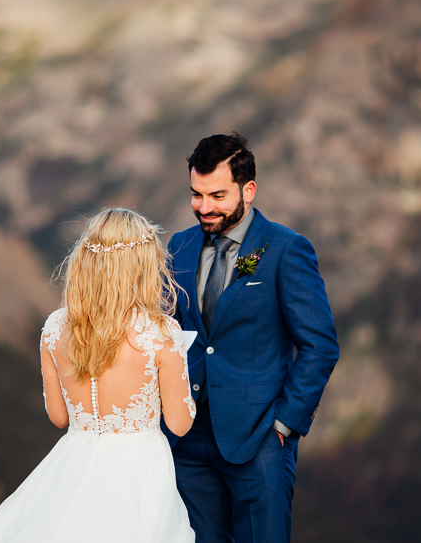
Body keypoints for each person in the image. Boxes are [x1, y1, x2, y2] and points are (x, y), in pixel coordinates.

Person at [0, 208, 198, 543]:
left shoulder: (55, 328)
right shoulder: (162, 333)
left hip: (70, 464)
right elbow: (179, 423)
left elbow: (59, 417)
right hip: (137, 473)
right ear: (142, 266)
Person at [165, 132, 340, 543]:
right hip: (188, 439)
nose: (204, 208)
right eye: (196, 195)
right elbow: (169, 332)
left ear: (249, 190)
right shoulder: (179, 246)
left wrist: (284, 425)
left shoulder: (286, 249)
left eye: (217, 196)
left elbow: (320, 345)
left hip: (260, 437)